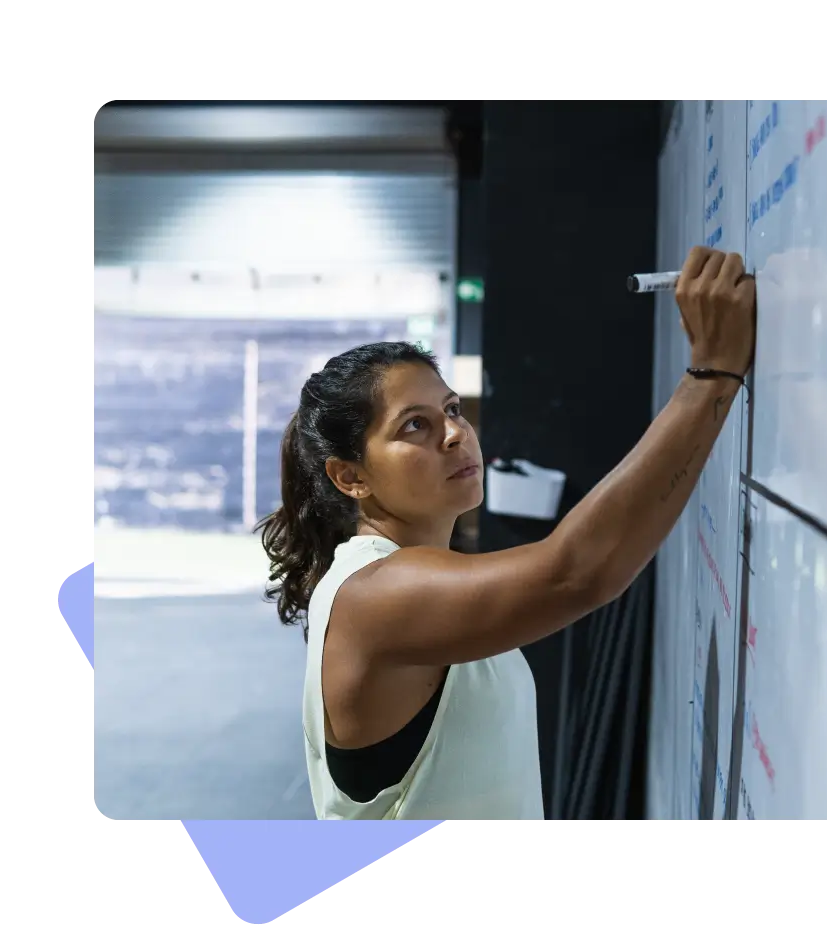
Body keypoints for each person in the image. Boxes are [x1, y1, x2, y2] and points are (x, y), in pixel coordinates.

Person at [257, 246, 757, 821]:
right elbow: (574, 573)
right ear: (351, 478)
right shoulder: (376, 594)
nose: (453, 434)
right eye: (414, 425)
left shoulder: (404, 579)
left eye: (452, 410)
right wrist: (712, 372)